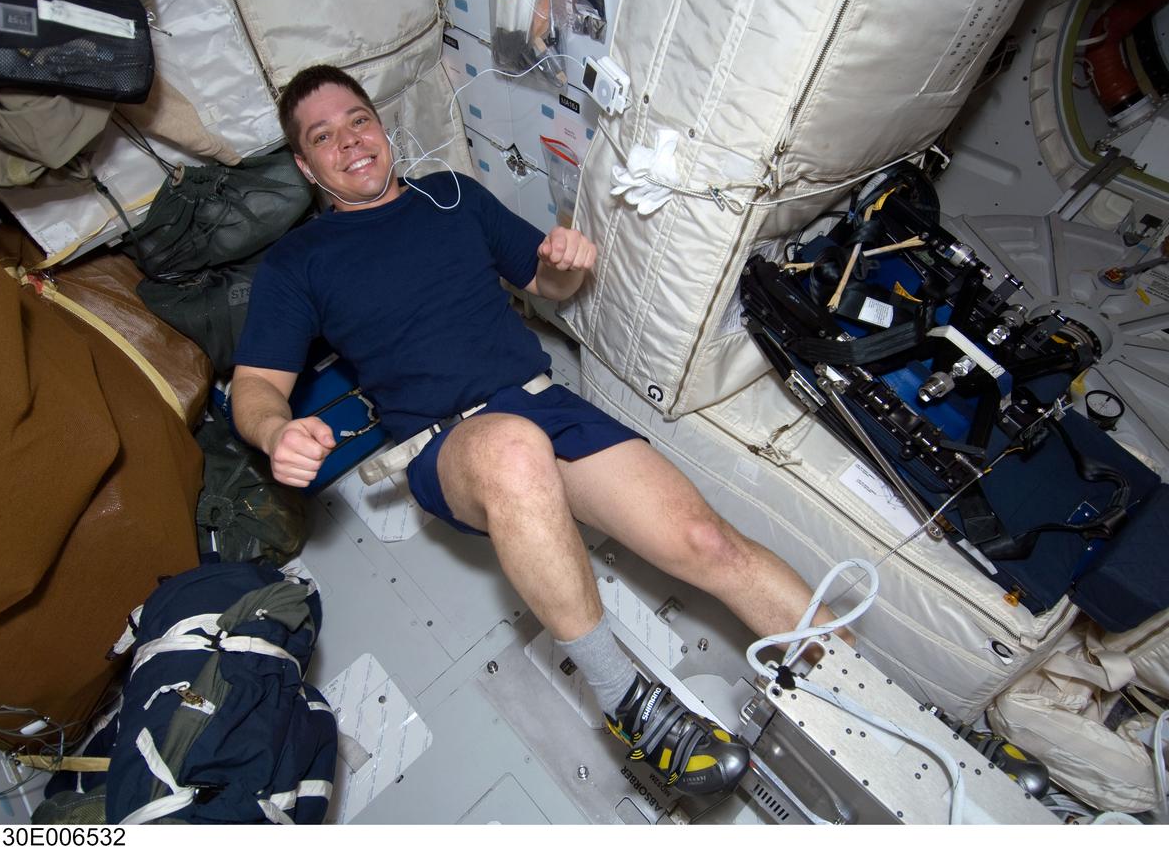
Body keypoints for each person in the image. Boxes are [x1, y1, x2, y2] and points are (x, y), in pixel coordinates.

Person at [231, 65, 839, 797]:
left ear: (379, 124)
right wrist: (274, 434)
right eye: (322, 136)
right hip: (449, 443)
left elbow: (547, 284)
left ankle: (857, 700)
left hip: (543, 402)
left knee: (707, 543)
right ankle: (627, 702)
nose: (349, 142)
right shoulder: (299, 262)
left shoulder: (452, 195)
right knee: (512, 448)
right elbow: (257, 388)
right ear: (305, 165)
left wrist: (564, 264)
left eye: (357, 119)